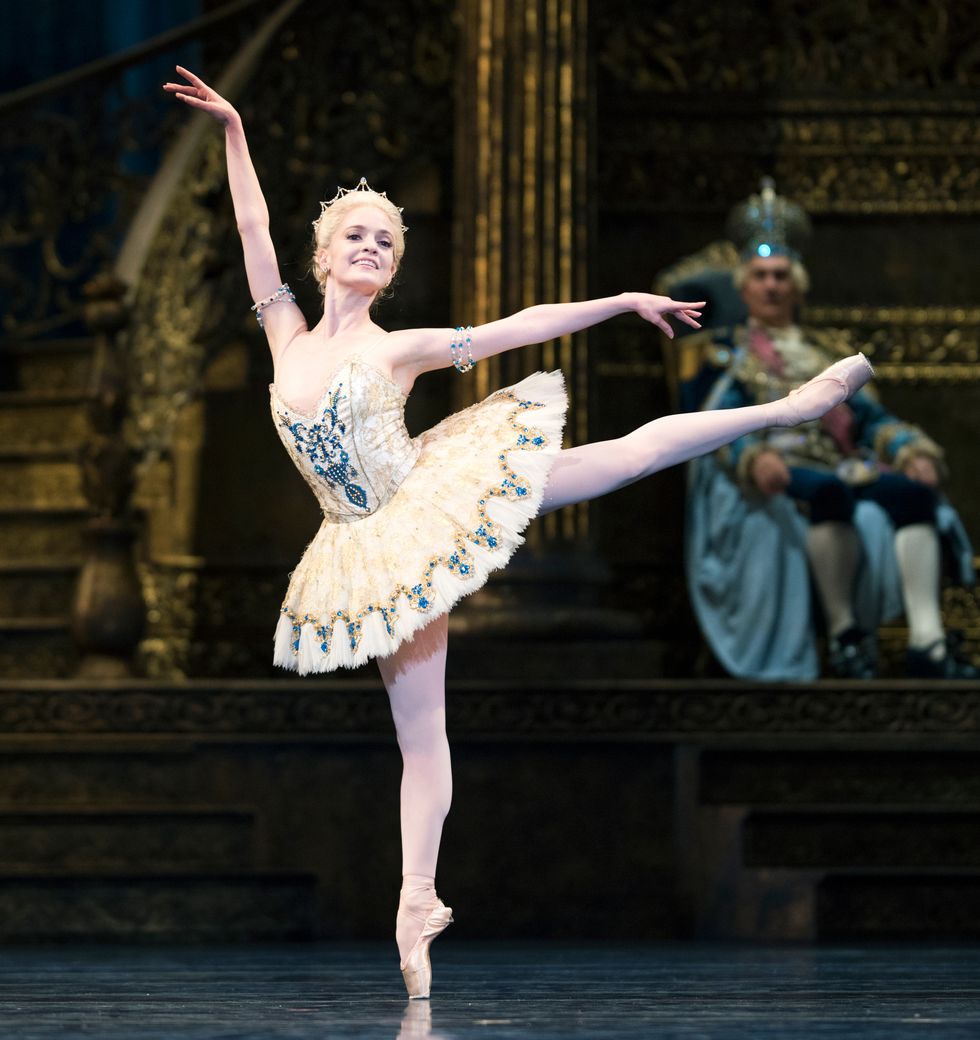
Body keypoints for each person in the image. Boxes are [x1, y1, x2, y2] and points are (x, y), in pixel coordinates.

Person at [165, 67, 875, 997]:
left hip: (432, 496)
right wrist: (234, 130)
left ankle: (790, 407)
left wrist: (620, 304)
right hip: (363, 545)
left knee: (620, 458)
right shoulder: (285, 334)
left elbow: (515, 327)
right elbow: (252, 228)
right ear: (325, 255)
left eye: (387, 238)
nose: (373, 246)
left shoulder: (398, 346)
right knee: (421, 737)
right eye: (357, 236)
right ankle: (418, 902)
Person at [681, 183, 975, 681]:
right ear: (744, 287)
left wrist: (909, 451)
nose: (772, 286)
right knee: (831, 494)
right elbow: (713, 428)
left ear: (796, 285)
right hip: (781, 466)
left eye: (781, 276)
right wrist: (753, 460)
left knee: (914, 497)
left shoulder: (826, 349)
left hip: (842, 460)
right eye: (760, 277)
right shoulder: (723, 354)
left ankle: (928, 641)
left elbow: (870, 420)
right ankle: (845, 636)